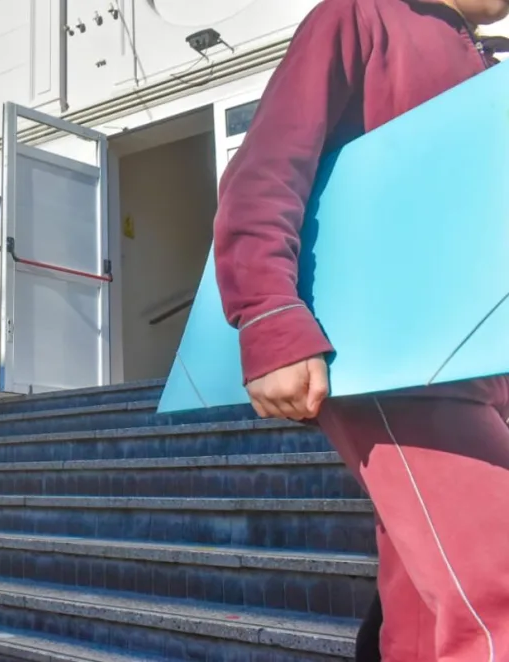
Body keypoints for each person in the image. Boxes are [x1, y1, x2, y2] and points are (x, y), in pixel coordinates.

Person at [212, 0, 509, 660]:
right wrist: (267, 316)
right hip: (394, 355)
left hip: (479, 356)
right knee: (496, 590)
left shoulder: (489, 63)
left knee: (423, 606)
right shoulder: (356, 16)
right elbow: (265, 168)